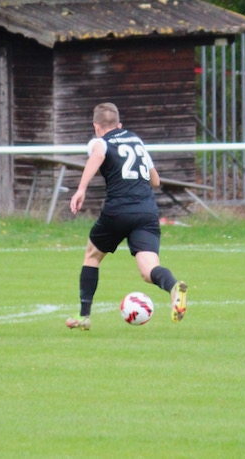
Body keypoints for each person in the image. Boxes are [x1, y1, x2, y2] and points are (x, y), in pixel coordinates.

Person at [65, 102, 188, 331]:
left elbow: (98, 154)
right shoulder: (136, 140)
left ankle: (84, 316)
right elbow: (155, 181)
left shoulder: (100, 141)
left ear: (96, 126)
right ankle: (173, 287)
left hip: (118, 210)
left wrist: (81, 189)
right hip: (147, 212)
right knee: (149, 270)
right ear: (119, 124)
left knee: (92, 256)